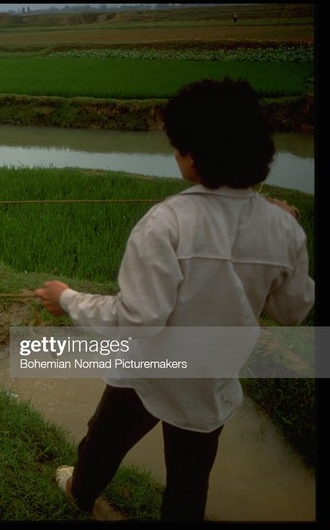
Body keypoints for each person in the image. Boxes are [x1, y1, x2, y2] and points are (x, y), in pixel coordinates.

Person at [34, 78, 314, 522]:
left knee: (102, 442)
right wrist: (286, 235)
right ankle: (90, 491)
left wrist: (66, 297)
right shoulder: (284, 230)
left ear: (194, 158)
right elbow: (292, 310)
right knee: (188, 482)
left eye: (178, 146)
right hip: (209, 380)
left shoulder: (165, 223)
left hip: (147, 370)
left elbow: (137, 318)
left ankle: (79, 493)